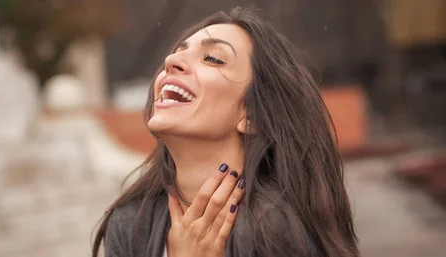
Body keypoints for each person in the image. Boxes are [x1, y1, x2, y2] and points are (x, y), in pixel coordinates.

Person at [93, 7, 359, 257]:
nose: (171, 60)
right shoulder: (130, 224)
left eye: (212, 58)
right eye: (177, 52)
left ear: (251, 114)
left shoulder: (275, 234)